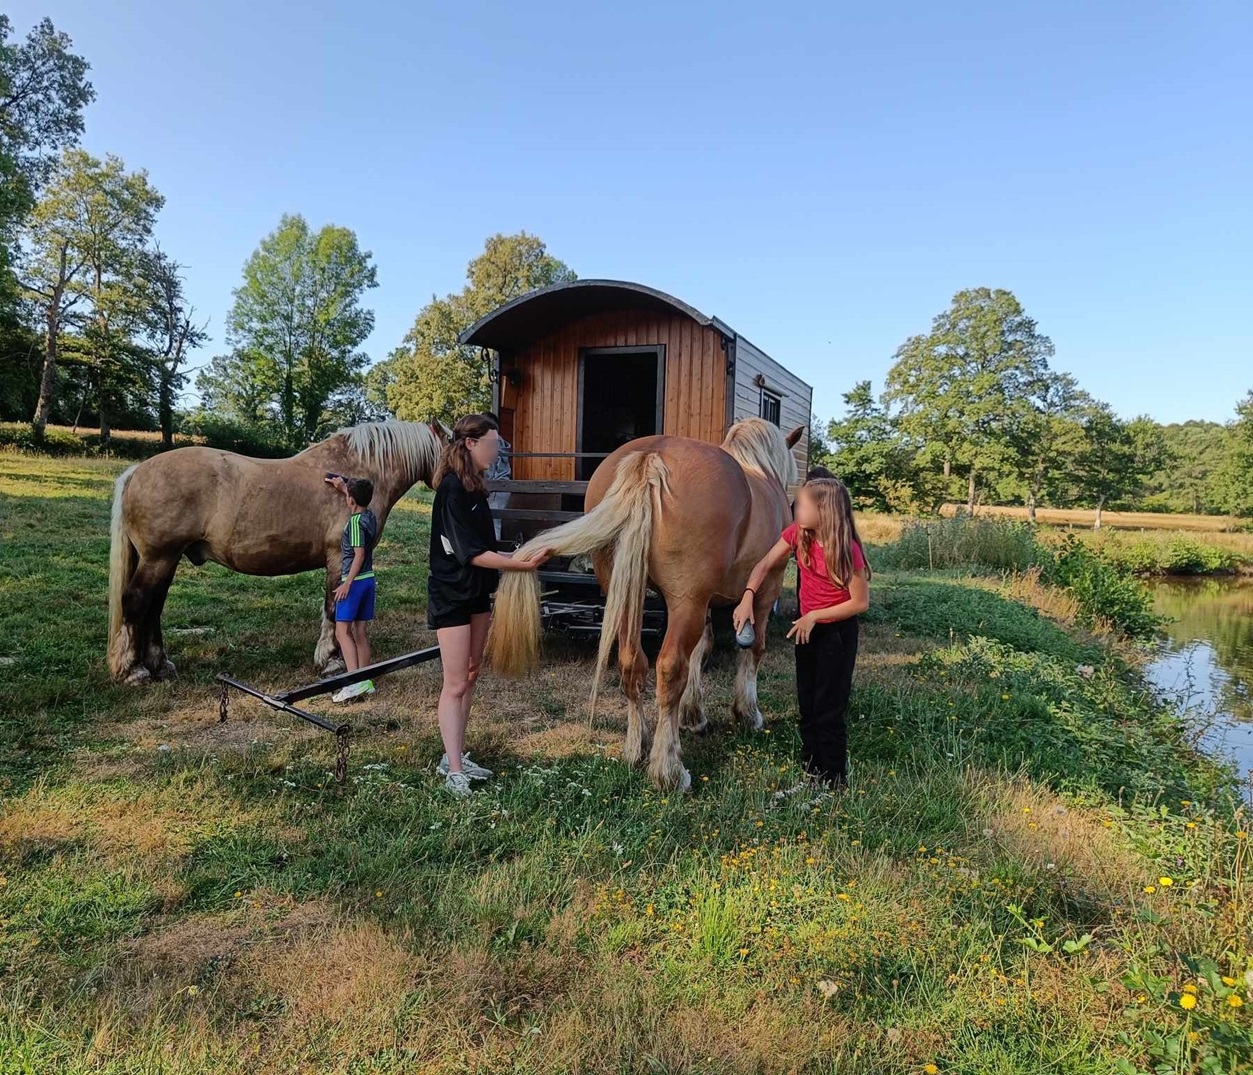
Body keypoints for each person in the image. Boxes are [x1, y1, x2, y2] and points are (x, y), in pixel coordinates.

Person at [428, 414, 550, 797]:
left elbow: (489, 547)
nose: (496, 452)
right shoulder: (451, 490)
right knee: (455, 682)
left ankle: (456, 756)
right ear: (469, 444)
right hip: (451, 594)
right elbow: (472, 553)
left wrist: (520, 553)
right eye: (492, 444)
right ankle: (452, 769)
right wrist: (520, 564)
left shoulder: (476, 489)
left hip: (478, 593)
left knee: (472, 672)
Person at [733, 478, 870, 787]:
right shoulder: (797, 535)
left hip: (836, 634)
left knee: (828, 711)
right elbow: (765, 563)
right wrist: (747, 596)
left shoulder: (846, 548)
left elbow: (860, 603)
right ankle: (812, 775)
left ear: (823, 511)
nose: (796, 507)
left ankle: (834, 782)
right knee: (806, 706)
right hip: (806, 629)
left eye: (804, 504)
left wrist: (816, 615)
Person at [324, 476, 379, 703]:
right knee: (360, 633)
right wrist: (344, 488)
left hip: (353, 582)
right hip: (368, 581)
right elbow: (358, 499)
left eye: (347, 496)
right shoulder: (370, 515)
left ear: (351, 501)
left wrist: (346, 584)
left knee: (341, 632)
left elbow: (359, 554)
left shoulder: (355, 522)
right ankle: (365, 681)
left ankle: (352, 683)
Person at [484, 412, 511, 542]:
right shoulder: (497, 440)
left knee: (494, 521)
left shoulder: (493, 442)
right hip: (500, 486)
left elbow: (490, 469)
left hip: (497, 486)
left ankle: (494, 550)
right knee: (492, 520)